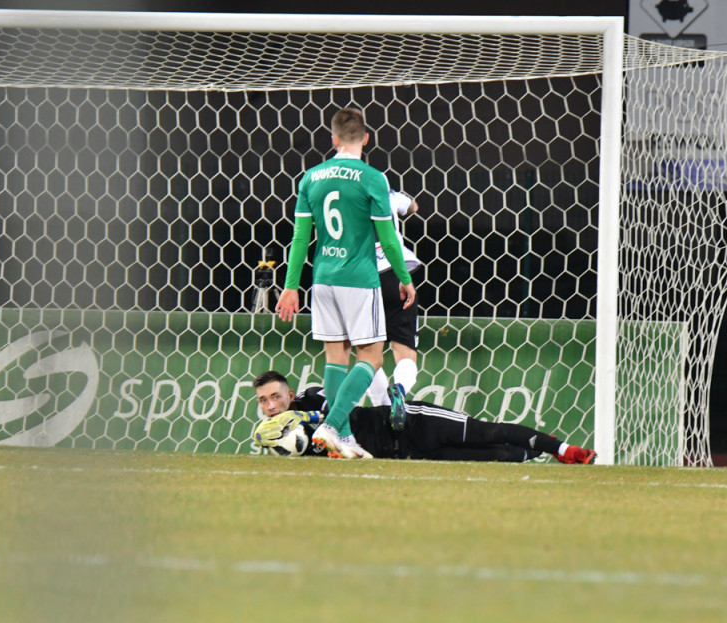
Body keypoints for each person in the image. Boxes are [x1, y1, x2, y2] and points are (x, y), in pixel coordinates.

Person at [276, 107, 415, 459]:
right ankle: (333, 424)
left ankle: (346, 438)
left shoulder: (311, 177)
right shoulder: (372, 178)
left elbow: (299, 238)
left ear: (334, 139)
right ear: (366, 138)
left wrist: (291, 286)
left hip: (323, 279)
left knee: (335, 358)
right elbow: (388, 235)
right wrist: (403, 277)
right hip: (359, 278)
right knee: (372, 357)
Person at [252, 370, 596, 464]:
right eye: (264, 401)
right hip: (402, 452)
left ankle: (565, 449)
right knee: (496, 455)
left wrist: (305, 418)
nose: (270, 406)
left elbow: (340, 408)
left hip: (409, 420)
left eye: (275, 397)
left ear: (290, 395)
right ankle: (534, 454)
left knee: (487, 432)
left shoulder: (313, 395)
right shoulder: (278, 438)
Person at [366, 189, 422, 431]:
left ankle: (382, 407)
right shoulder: (387, 194)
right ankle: (399, 389)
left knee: (367, 355)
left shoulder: (346, 197)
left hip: (364, 279)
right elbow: (414, 207)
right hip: (397, 275)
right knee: (405, 352)